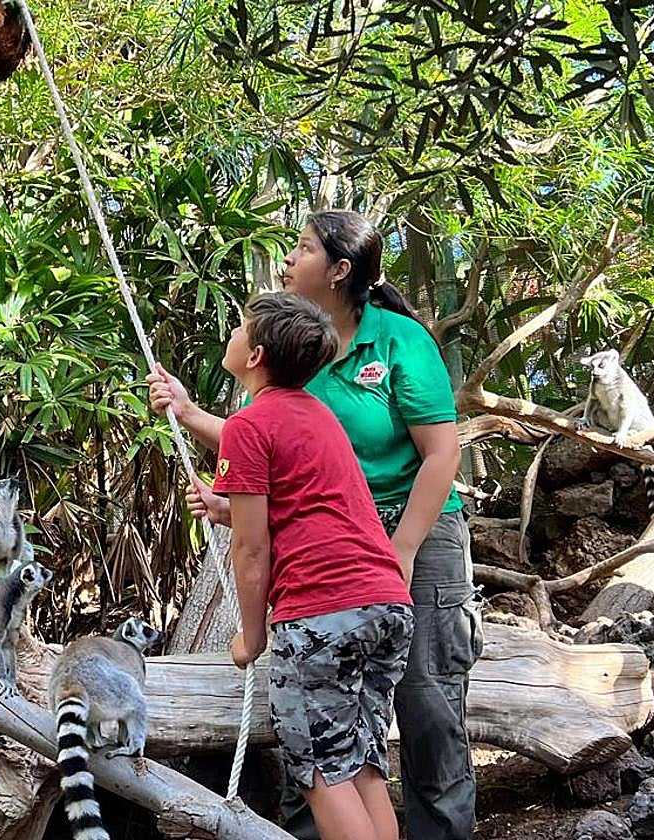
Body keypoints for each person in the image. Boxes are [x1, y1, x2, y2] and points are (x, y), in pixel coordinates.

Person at [149, 209, 481, 840]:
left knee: (373, 742)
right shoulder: (301, 390)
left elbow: (255, 542)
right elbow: (297, 460)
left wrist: (402, 548)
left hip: (387, 548)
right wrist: (194, 422)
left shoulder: (399, 342)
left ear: (340, 270)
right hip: (369, 580)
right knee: (358, 761)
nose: (286, 259)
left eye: (300, 249)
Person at [214, 291, 413, 840]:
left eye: (239, 327)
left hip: (323, 612)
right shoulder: (318, 415)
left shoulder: (249, 425)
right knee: (363, 763)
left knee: (322, 770)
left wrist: (251, 637)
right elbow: (307, 506)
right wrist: (225, 506)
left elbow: (253, 549)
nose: (232, 334)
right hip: (386, 603)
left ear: (255, 356)